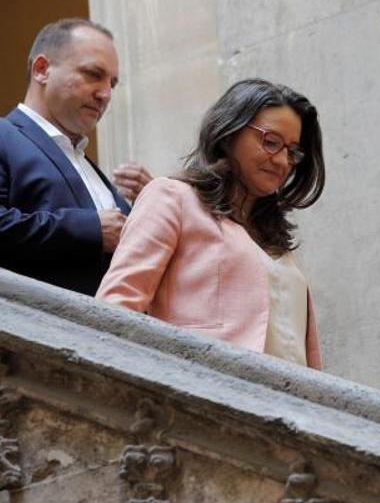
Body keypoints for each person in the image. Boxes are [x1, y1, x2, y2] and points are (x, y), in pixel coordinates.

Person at [96, 79, 327, 369]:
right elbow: (116, 307)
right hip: (204, 398)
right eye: (270, 142)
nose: (282, 161)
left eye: (293, 152)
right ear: (228, 133)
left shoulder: (274, 239)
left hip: (292, 406)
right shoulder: (172, 196)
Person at [0, 18, 152, 295]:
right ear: (42, 69)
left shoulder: (95, 174)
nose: (105, 94)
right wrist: (89, 229)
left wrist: (152, 207)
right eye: (93, 74)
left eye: (113, 83)